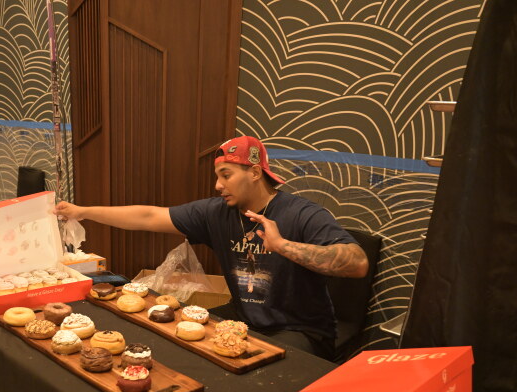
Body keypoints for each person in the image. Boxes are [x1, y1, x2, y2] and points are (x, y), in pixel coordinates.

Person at [54, 136, 369, 359]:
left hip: (300, 331)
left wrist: (284, 246)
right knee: (173, 343)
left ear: (255, 173)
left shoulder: (302, 214)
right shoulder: (216, 213)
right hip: (245, 319)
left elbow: (357, 263)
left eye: (226, 175)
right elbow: (149, 216)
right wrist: (83, 212)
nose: (218, 185)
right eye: (218, 176)